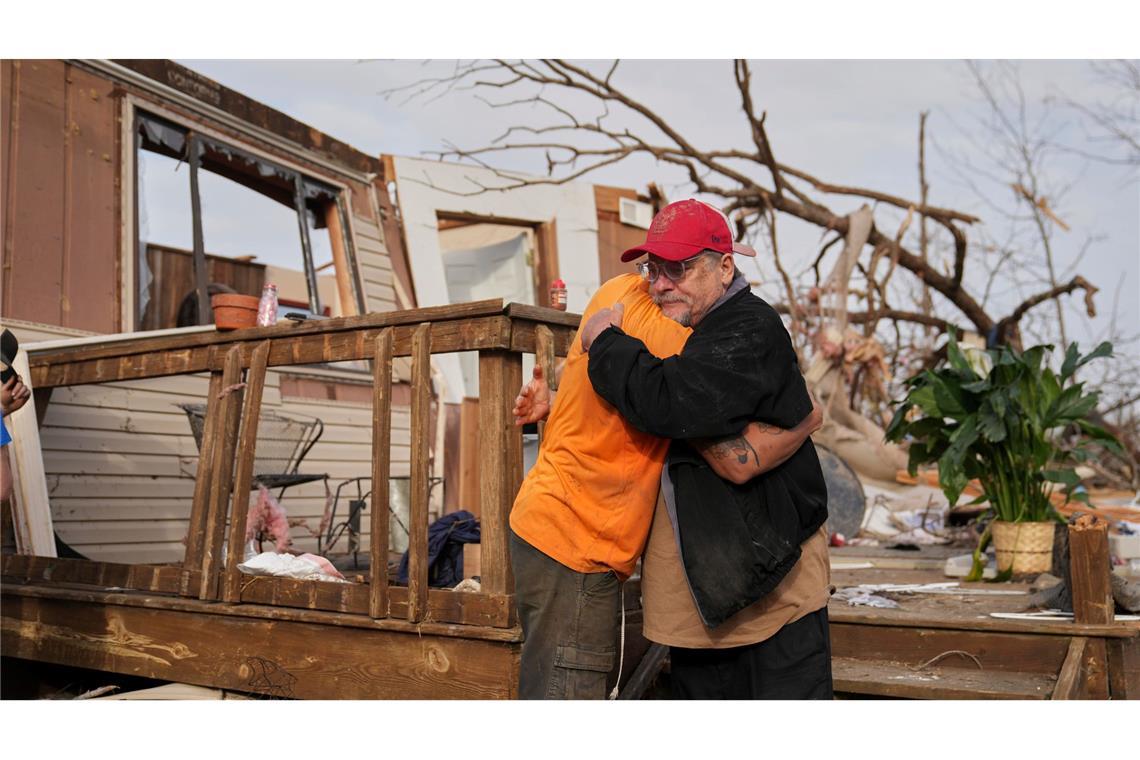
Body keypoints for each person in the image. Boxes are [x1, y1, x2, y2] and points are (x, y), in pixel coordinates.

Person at [508, 214, 821, 700]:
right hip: (575, 539)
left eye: (678, 269)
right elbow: (692, 421)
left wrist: (576, 372)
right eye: (654, 268)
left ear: (723, 266)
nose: (660, 283)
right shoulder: (675, 330)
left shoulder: (626, 302)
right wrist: (807, 420)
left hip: (560, 528)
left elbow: (668, 397)